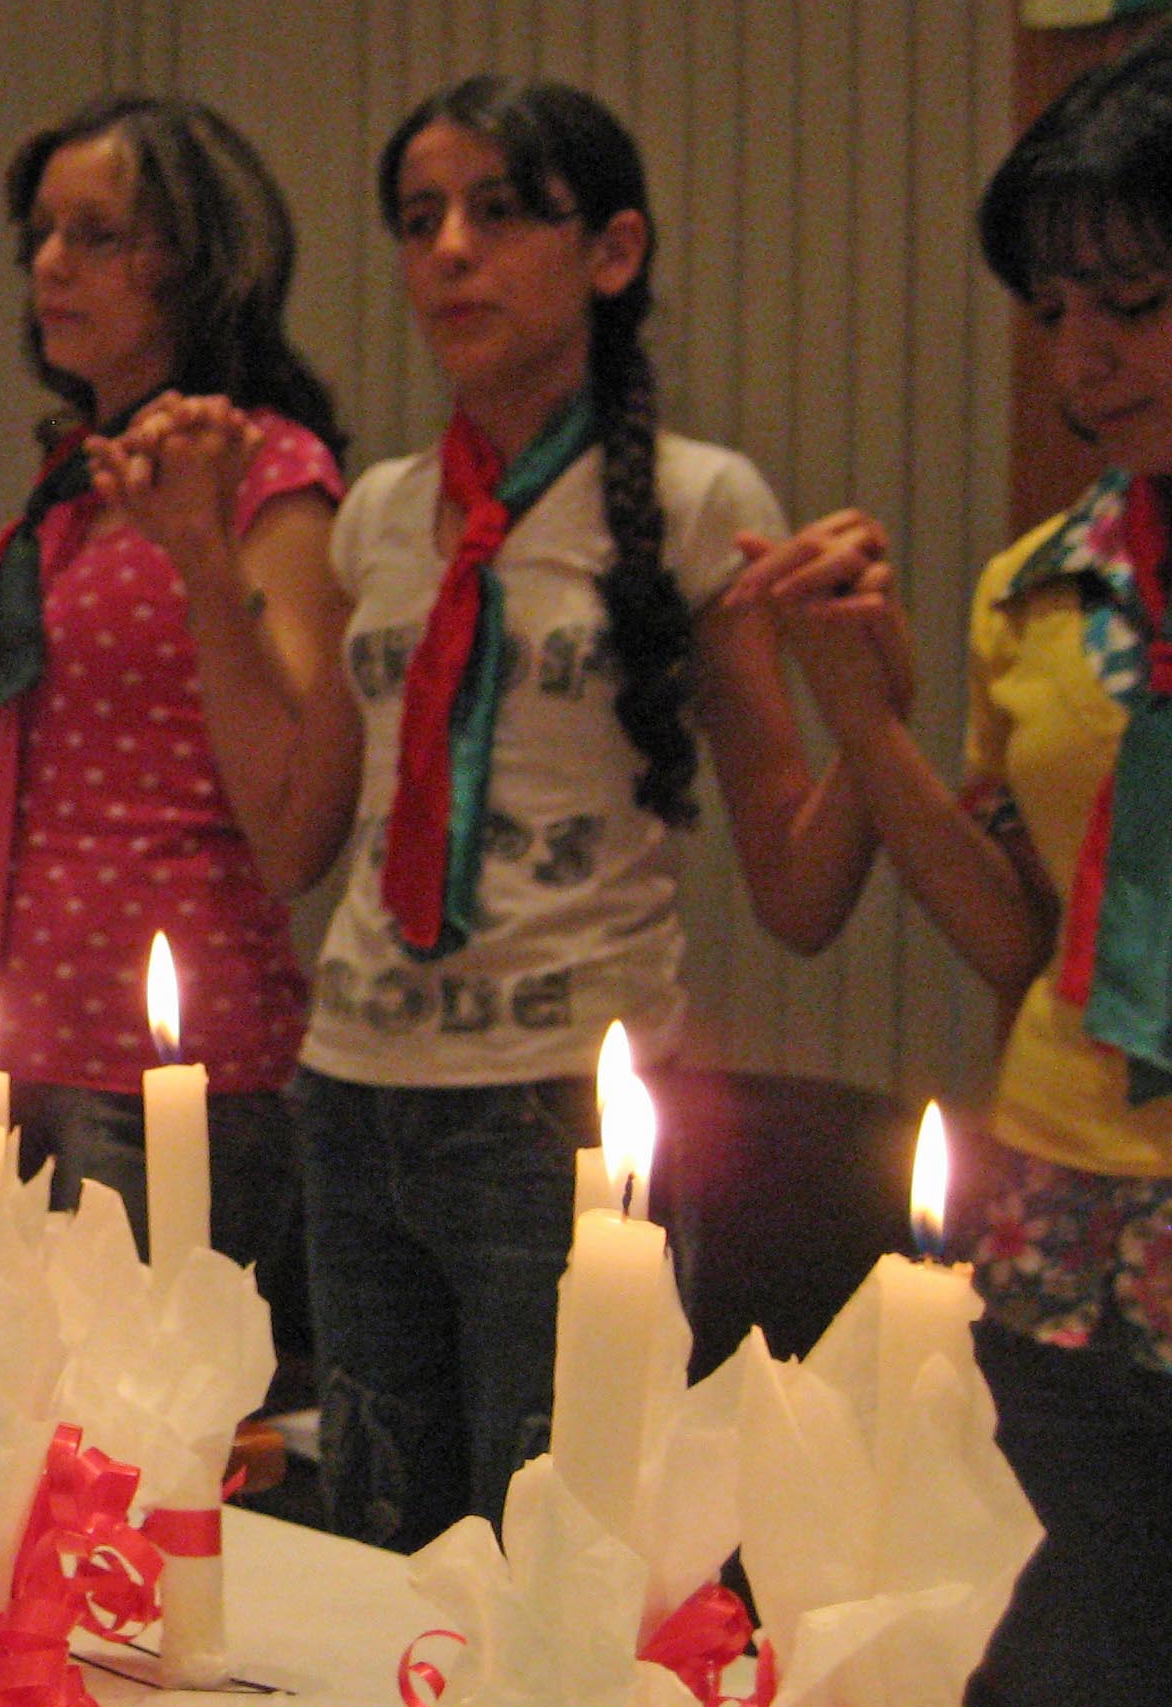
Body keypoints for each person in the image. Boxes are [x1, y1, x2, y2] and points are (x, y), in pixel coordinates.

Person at [286, 75, 879, 1552]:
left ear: (611, 253)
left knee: (565, 1551)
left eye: (499, 212)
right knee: (371, 1544)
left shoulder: (692, 501)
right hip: (352, 1077)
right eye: (419, 221)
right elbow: (303, 822)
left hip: (560, 1100)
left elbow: (797, 888)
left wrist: (878, 707)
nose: (451, 254)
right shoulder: (375, 512)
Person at [753, 35, 1172, 1707]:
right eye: (1053, 309)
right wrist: (863, 722)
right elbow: (1023, 943)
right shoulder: (1041, 583)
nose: (1081, 356)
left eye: (1131, 300)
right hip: (1074, 1222)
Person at [0, 95, 349, 1354]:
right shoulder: (69, 499)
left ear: (206, 258)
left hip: (177, 1068)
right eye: (41, 236)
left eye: (100, 235)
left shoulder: (270, 472)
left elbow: (290, 807)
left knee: (138, 1463)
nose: (53, 266)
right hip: (25, 1049)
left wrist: (203, 542)